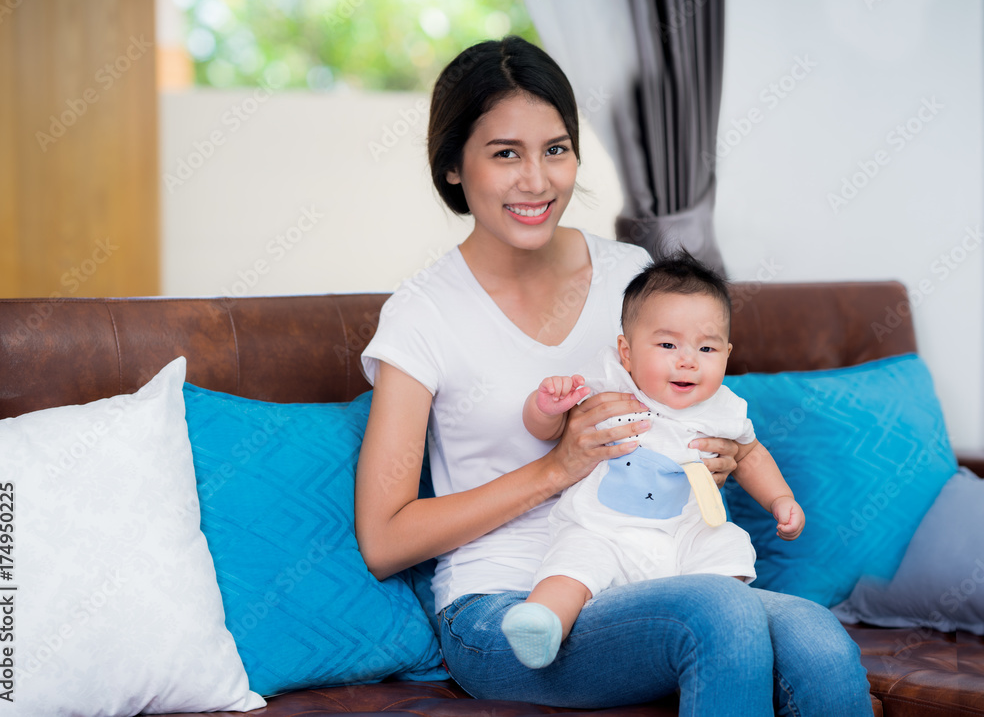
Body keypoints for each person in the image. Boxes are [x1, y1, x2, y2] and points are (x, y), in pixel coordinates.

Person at [355, 35, 872, 716]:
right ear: (453, 165)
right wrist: (555, 467)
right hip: (504, 608)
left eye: (556, 148)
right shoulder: (423, 314)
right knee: (719, 614)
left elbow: (690, 406)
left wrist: (703, 459)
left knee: (820, 637)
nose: (537, 180)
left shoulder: (631, 276)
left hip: (648, 572)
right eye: (505, 152)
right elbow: (385, 539)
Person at [502, 252, 805, 669]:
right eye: (667, 344)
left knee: (728, 543)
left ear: (727, 354)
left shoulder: (724, 408)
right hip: (604, 530)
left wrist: (780, 499)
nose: (688, 359)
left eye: (706, 347)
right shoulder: (608, 381)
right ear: (626, 352)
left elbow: (751, 454)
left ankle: (731, 619)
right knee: (573, 561)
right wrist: (546, 408)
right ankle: (543, 621)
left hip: (685, 535)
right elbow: (550, 433)